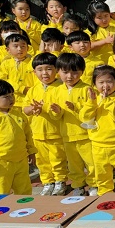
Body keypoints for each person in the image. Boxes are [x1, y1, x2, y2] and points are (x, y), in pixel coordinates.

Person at [80, 64, 115, 195]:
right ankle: (105, 195)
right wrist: (92, 103)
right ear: (94, 84)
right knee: (102, 175)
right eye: (101, 82)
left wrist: (108, 101)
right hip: (99, 146)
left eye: (109, 81)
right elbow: (85, 118)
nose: (105, 86)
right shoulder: (93, 99)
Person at [50, 53, 96, 196]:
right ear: (58, 71)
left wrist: (75, 107)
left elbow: (92, 111)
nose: (70, 76)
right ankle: (78, 185)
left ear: (82, 71)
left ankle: (94, 184)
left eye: (74, 72)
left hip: (86, 134)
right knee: (74, 164)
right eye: (65, 72)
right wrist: (57, 112)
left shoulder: (87, 88)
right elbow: (55, 116)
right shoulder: (57, 90)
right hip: (68, 135)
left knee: (91, 162)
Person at [23, 53, 67, 195]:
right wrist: (32, 108)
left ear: (57, 70)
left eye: (49, 69)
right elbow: (25, 109)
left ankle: (60, 181)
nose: (44, 73)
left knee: (57, 159)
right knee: (42, 161)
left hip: (56, 133)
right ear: (34, 72)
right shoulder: (33, 89)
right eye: (40, 69)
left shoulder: (61, 88)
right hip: (37, 134)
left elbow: (61, 111)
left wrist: (46, 108)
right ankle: (47, 182)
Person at [0, 79, 35, 195]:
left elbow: (28, 134)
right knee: (1, 191)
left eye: (12, 95)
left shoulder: (18, 113)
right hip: (1, 162)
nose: (11, 99)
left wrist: (31, 151)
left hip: (21, 159)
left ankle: (26, 210)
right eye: (6, 97)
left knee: (24, 190)